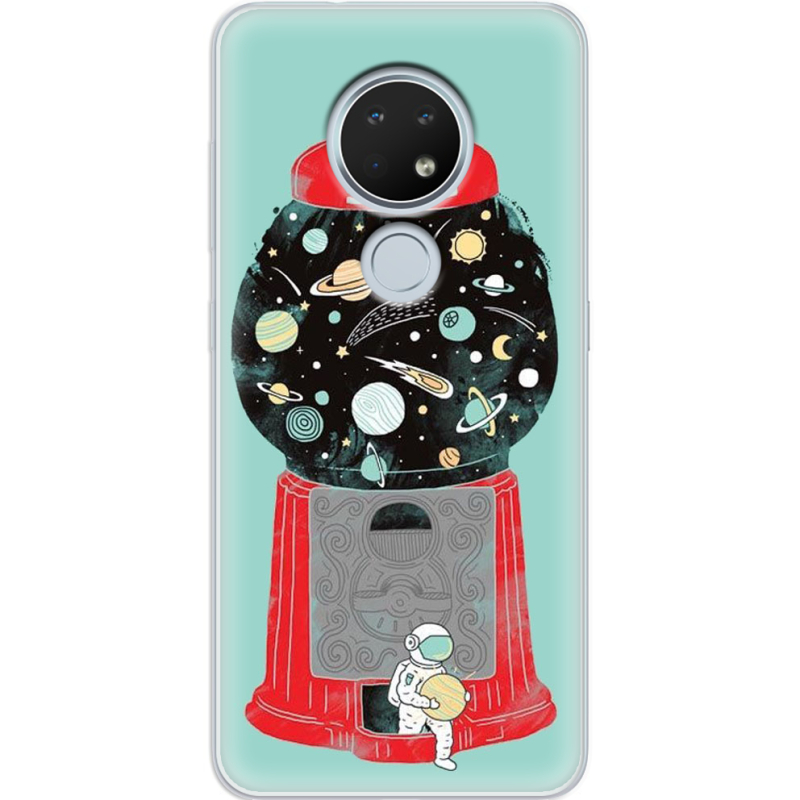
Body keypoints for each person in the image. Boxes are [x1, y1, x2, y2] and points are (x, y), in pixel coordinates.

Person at [388, 623, 470, 771]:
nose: (437, 652)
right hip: (413, 711)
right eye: (433, 647)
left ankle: (442, 758)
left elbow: (446, 687)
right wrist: (426, 702)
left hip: (436, 709)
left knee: (445, 733)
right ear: (413, 644)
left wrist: (460, 696)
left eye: (441, 647)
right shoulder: (412, 671)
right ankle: (402, 758)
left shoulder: (439, 669)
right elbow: (405, 694)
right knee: (408, 734)